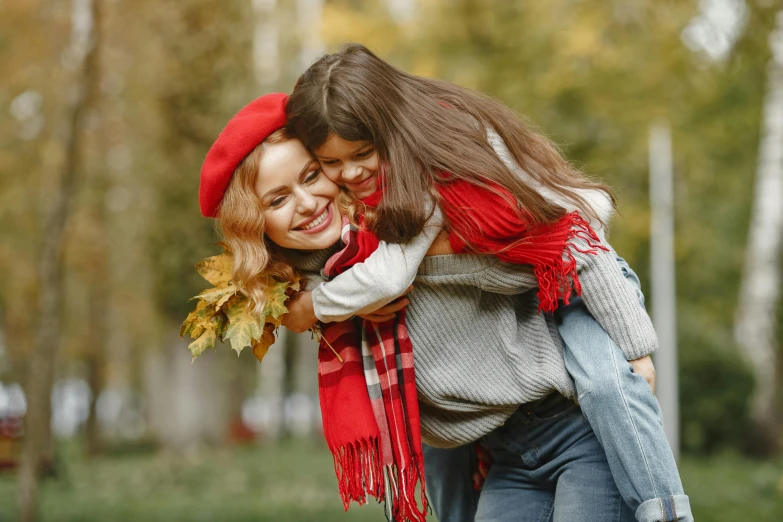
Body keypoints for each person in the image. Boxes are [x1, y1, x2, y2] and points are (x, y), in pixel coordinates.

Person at [280, 44, 692, 522]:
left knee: (609, 381)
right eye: (331, 163)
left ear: (392, 131)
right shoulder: (358, 220)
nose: (350, 172)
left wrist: (637, 349)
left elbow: (575, 238)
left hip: (574, 372)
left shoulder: (444, 172)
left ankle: (667, 510)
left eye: (363, 154)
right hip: (509, 448)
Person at [199, 93, 649, 521]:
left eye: (313, 175)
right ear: (255, 222)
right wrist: (318, 306)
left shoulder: (412, 223)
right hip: (505, 449)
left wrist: (634, 351)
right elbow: (295, 290)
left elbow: (565, 253)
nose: (306, 202)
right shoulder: (314, 274)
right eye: (277, 200)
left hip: (571, 418)